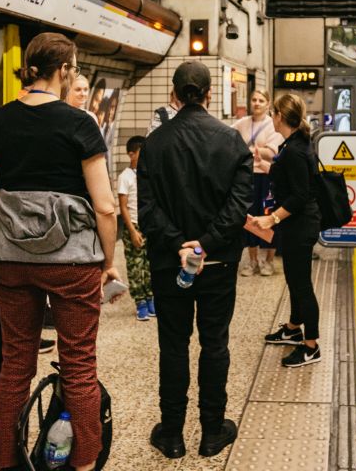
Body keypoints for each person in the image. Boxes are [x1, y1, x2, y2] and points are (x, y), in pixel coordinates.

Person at [0, 32, 120, 471]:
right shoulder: (80, 123)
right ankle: (84, 463)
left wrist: (17, 232)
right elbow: (105, 205)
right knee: (78, 364)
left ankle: (9, 462)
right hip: (73, 262)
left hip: (12, 263)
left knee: (15, 363)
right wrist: (107, 261)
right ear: (66, 70)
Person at [138, 61, 252, 460]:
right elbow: (239, 208)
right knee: (214, 343)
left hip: (172, 264)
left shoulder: (153, 144)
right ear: (208, 95)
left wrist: (181, 247)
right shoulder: (233, 142)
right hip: (218, 263)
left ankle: (171, 434)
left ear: (174, 94)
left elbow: (148, 211)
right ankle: (211, 431)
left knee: (173, 345)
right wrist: (205, 244)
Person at [252, 93, 323, 368]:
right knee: (294, 280)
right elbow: (293, 179)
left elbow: (299, 196)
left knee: (302, 285)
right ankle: (294, 328)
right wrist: (267, 166)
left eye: (273, 113)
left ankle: (311, 346)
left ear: (280, 116)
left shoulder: (294, 149)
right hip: (298, 224)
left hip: (300, 224)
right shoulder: (295, 143)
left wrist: (272, 219)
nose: (271, 117)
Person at [231, 90, 284, 277]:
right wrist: (255, 150)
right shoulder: (242, 123)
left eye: (261, 100)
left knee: (269, 215)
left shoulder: (273, 125)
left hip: (267, 176)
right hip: (247, 177)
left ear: (268, 104)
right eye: (254, 99)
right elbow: (228, 138)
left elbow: (271, 152)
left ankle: (268, 261)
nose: (257, 103)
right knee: (249, 217)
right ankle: (252, 260)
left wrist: (246, 150)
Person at [118, 136, 154, 321]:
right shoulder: (125, 177)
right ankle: (140, 301)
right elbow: (123, 206)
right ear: (131, 154)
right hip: (133, 225)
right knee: (135, 267)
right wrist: (132, 230)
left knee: (149, 265)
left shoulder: (148, 174)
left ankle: (150, 298)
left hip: (148, 225)